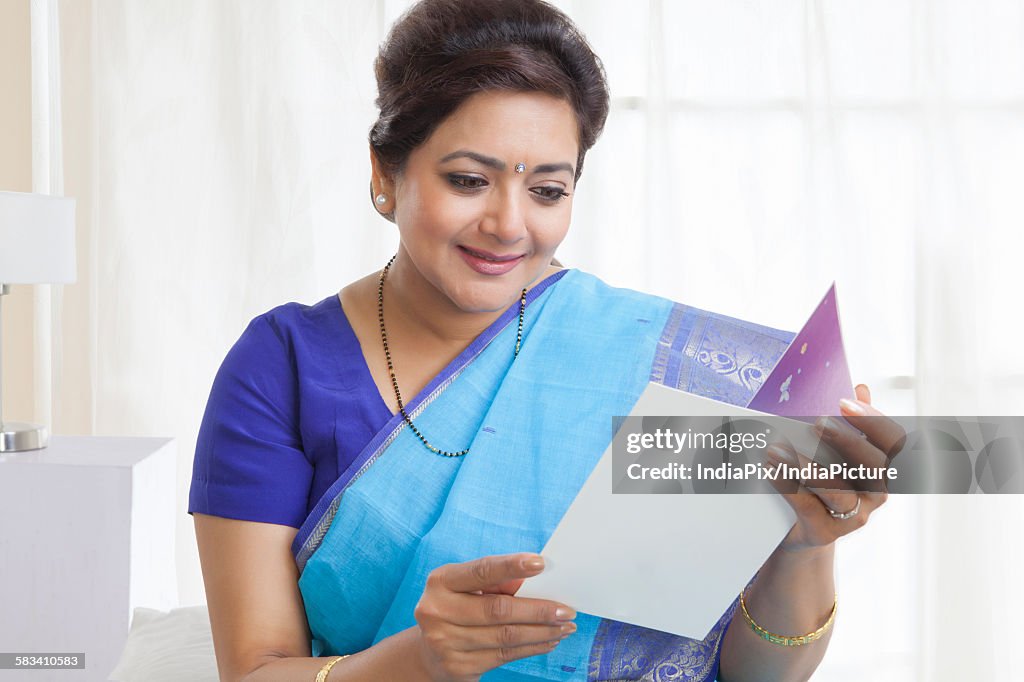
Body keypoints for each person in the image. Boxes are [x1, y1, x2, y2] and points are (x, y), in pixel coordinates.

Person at [189, 1, 899, 680]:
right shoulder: (282, 368)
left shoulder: (663, 366)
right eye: (469, 180)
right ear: (385, 175)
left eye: (548, 191)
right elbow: (254, 669)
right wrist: (421, 663)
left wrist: (804, 547)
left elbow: (760, 676)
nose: (508, 224)